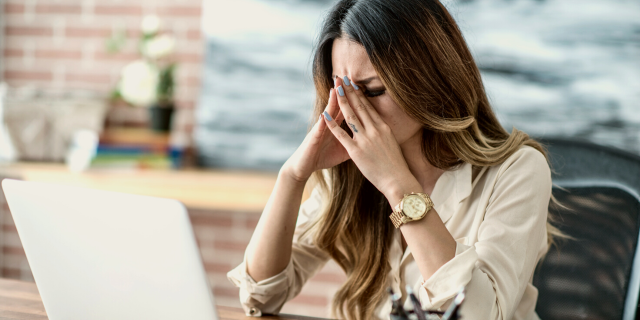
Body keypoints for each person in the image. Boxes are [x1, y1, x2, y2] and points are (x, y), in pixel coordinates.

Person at [228, 0, 559, 319]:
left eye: (372, 91)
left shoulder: (518, 170)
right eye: (342, 91)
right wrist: (293, 176)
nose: (354, 110)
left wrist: (396, 185)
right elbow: (260, 297)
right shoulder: (349, 171)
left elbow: (476, 315)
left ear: (431, 79)